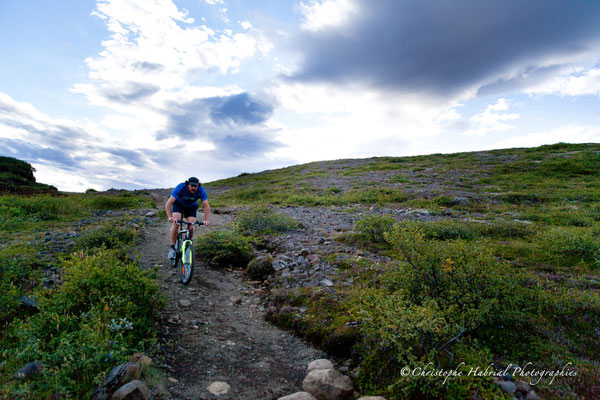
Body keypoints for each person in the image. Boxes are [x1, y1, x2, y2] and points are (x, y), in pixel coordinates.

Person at [165, 177, 210, 259]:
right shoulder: (181, 187)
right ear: (188, 184)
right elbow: (169, 203)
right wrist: (170, 217)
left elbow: (206, 206)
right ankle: (172, 248)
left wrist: (206, 220)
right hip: (178, 205)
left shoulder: (201, 190)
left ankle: (187, 246)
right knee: (176, 224)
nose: (194, 188)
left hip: (191, 207)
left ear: (198, 186)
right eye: (192, 186)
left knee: (191, 227)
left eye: (195, 186)